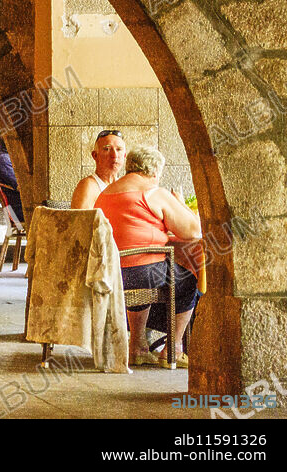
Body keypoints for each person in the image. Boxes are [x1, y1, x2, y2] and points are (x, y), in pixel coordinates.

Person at [94, 144, 201, 368]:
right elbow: (193, 231)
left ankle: (137, 347)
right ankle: (173, 349)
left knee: (158, 270)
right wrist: (180, 203)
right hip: (141, 272)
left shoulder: (105, 194)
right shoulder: (153, 192)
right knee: (187, 281)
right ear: (154, 171)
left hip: (108, 273)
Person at [71, 129, 127, 209]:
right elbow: (79, 220)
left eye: (119, 149)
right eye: (107, 149)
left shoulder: (125, 185)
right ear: (95, 155)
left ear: (124, 155)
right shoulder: (88, 186)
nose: (114, 155)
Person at [0, 137, 23, 223]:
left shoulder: (6, 157)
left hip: (18, 207)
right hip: (18, 210)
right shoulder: (4, 159)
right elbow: (19, 185)